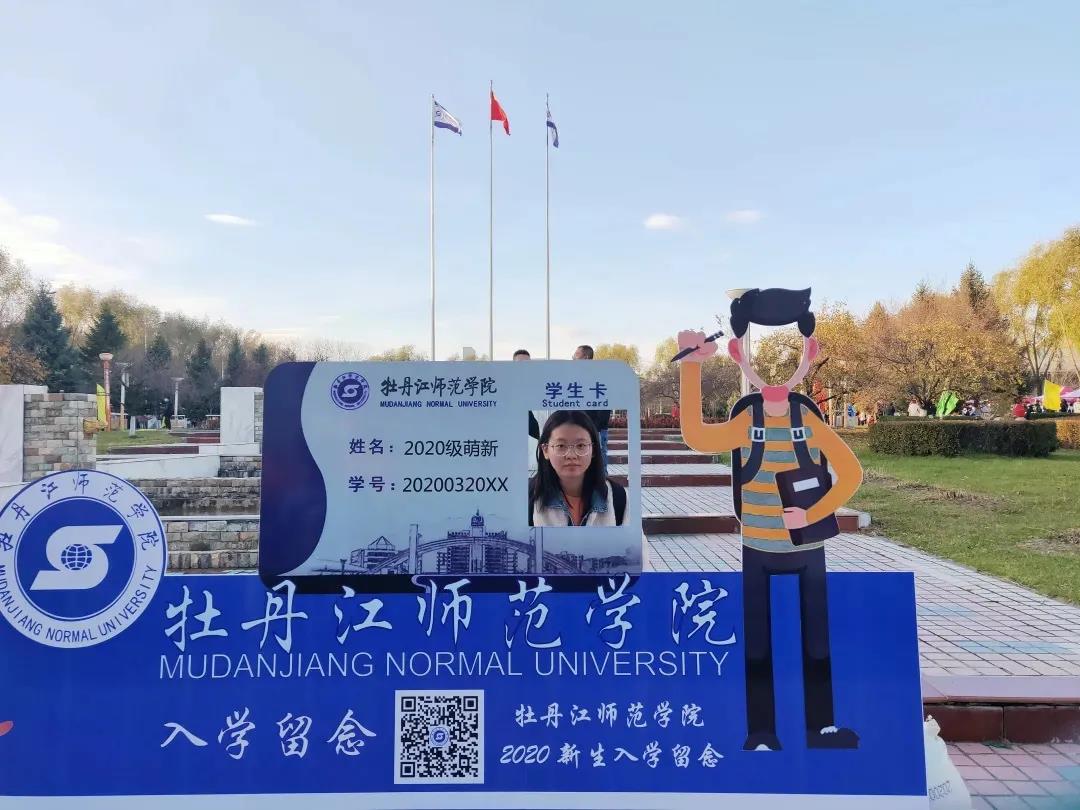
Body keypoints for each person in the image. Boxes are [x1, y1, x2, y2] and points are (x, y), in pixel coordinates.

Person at [677, 287, 862, 753]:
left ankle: (820, 727)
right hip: (756, 547)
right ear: (738, 355)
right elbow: (697, 436)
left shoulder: (808, 420)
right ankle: (761, 731)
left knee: (816, 640)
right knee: (757, 641)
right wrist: (691, 367)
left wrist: (813, 512)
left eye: (798, 352)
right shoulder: (748, 421)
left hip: (808, 546)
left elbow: (851, 473)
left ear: (810, 353)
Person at [528, 410, 626, 527]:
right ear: (545, 450)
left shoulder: (618, 497)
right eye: (561, 446)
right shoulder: (526, 498)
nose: (571, 455)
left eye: (580, 445)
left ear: (593, 449)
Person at [572, 345, 611, 467]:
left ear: (586, 357)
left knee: (599, 456)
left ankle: (602, 478)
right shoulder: (575, 376)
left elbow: (605, 403)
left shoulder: (599, 375)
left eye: (576, 355)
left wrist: (596, 427)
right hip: (580, 426)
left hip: (596, 427)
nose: (573, 358)